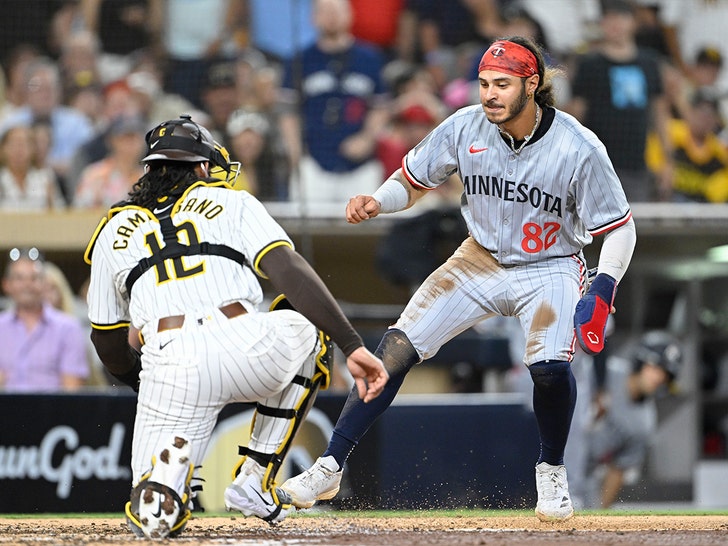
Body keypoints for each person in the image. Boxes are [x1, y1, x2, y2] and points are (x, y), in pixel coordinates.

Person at [280, 35, 637, 522]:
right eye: (485, 83)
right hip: (480, 256)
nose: (490, 94)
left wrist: (603, 286)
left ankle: (551, 470)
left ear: (531, 85)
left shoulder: (578, 146)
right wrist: (377, 201)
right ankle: (330, 465)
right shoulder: (466, 124)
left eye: (502, 84)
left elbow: (619, 228)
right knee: (396, 348)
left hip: (551, 264)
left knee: (549, 369)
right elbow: (411, 179)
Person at [84, 114, 388, 538]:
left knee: (152, 509)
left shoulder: (112, 229)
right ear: (202, 167)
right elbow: (289, 271)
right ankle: (254, 479)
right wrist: (352, 344)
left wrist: (152, 385)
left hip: (169, 358)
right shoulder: (233, 200)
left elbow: (108, 343)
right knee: (306, 326)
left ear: (151, 167)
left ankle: (167, 479)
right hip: (246, 341)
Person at [279, 0, 390, 204]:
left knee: (364, 230)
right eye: (325, 11)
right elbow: (288, 111)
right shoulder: (299, 60)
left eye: (337, 11)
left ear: (350, 15)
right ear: (313, 17)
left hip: (360, 166)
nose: (331, 17)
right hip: (314, 162)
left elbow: (380, 107)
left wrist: (367, 138)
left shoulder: (370, 58)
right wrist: (295, 153)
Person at [566, 0, 673, 202]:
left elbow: (659, 113)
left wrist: (667, 162)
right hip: (596, 164)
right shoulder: (589, 64)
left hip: (637, 166)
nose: (615, 24)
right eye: (609, 18)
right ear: (601, 24)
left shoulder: (649, 63)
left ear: (633, 23)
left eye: (621, 18)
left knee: (634, 227)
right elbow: (576, 114)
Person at [570, 330, 683, 509]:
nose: (658, 378)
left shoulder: (644, 424)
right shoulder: (605, 371)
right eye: (655, 368)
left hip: (584, 475)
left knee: (589, 514)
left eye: (665, 375)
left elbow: (618, 469)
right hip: (556, 454)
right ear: (640, 361)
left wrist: (601, 510)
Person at [0, 247, 90, 392]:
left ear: (44, 284)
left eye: (34, 278)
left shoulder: (68, 328)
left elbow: (72, 392)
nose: (27, 285)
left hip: (52, 412)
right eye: (19, 278)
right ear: (6, 285)